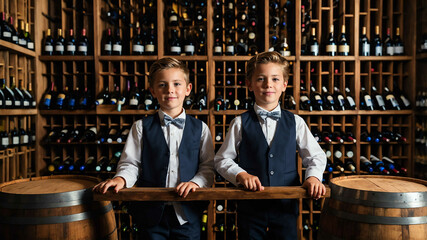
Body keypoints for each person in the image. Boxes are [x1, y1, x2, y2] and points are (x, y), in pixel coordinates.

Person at [93, 57, 215, 240]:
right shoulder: (140, 127)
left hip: (188, 214)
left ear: (188, 89)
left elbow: (208, 167)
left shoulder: (201, 128)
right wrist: (121, 179)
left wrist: (196, 183)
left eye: (176, 84)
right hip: (150, 214)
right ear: (153, 91)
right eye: (162, 85)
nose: (170, 90)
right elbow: (131, 164)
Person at [214, 51, 327, 240]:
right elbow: (222, 159)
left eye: (275, 79)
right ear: (249, 84)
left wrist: (313, 177)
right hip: (250, 207)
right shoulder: (239, 123)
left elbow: (316, 155)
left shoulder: (296, 122)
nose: (268, 85)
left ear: (284, 85)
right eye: (260, 79)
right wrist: (240, 174)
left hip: (286, 207)